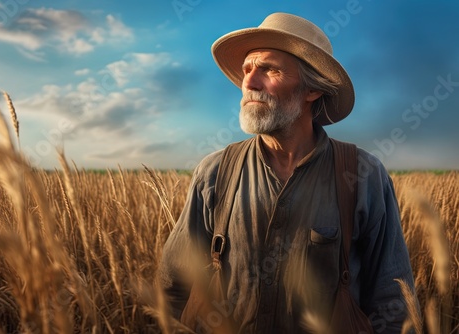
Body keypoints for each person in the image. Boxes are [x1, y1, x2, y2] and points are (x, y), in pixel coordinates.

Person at [159, 12, 417, 333]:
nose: (250, 83)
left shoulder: (363, 174)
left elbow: (393, 298)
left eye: (269, 70)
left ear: (312, 90)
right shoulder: (215, 172)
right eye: (247, 70)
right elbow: (174, 285)